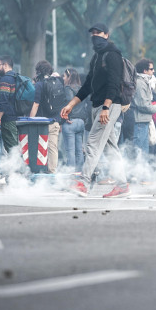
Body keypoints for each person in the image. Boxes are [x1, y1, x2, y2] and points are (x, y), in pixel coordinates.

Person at [61, 23, 130, 197]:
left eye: (98, 33)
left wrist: (106, 107)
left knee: (92, 142)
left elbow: (114, 84)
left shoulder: (113, 55)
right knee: (110, 148)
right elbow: (87, 86)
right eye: (92, 33)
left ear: (106, 35)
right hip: (97, 105)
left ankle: (83, 183)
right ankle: (122, 185)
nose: (95, 36)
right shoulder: (96, 57)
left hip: (109, 105)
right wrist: (70, 105)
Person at [30, 60, 66, 172]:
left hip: (42, 122)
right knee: (52, 147)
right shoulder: (58, 82)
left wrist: (30, 119)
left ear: (38, 71)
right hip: (55, 121)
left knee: (40, 147)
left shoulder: (40, 85)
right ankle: (52, 172)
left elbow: (36, 104)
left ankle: (40, 170)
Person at [130, 59, 156, 166]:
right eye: (151, 69)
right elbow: (142, 104)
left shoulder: (145, 82)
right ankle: (138, 174)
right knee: (140, 150)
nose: (153, 71)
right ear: (145, 71)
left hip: (144, 119)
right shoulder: (140, 83)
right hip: (139, 120)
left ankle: (143, 175)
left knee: (144, 149)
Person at [60, 68, 88, 169]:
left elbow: (69, 101)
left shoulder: (68, 88)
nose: (63, 78)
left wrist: (67, 115)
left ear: (69, 77)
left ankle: (71, 174)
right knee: (79, 150)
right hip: (81, 121)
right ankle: (80, 174)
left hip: (70, 121)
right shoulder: (81, 88)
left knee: (70, 151)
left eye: (64, 76)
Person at [0, 56, 19, 154]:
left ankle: (17, 169)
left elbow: (3, 101)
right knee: (17, 146)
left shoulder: (5, 80)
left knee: (12, 148)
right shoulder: (16, 77)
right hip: (18, 116)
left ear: (5, 65)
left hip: (8, 119)